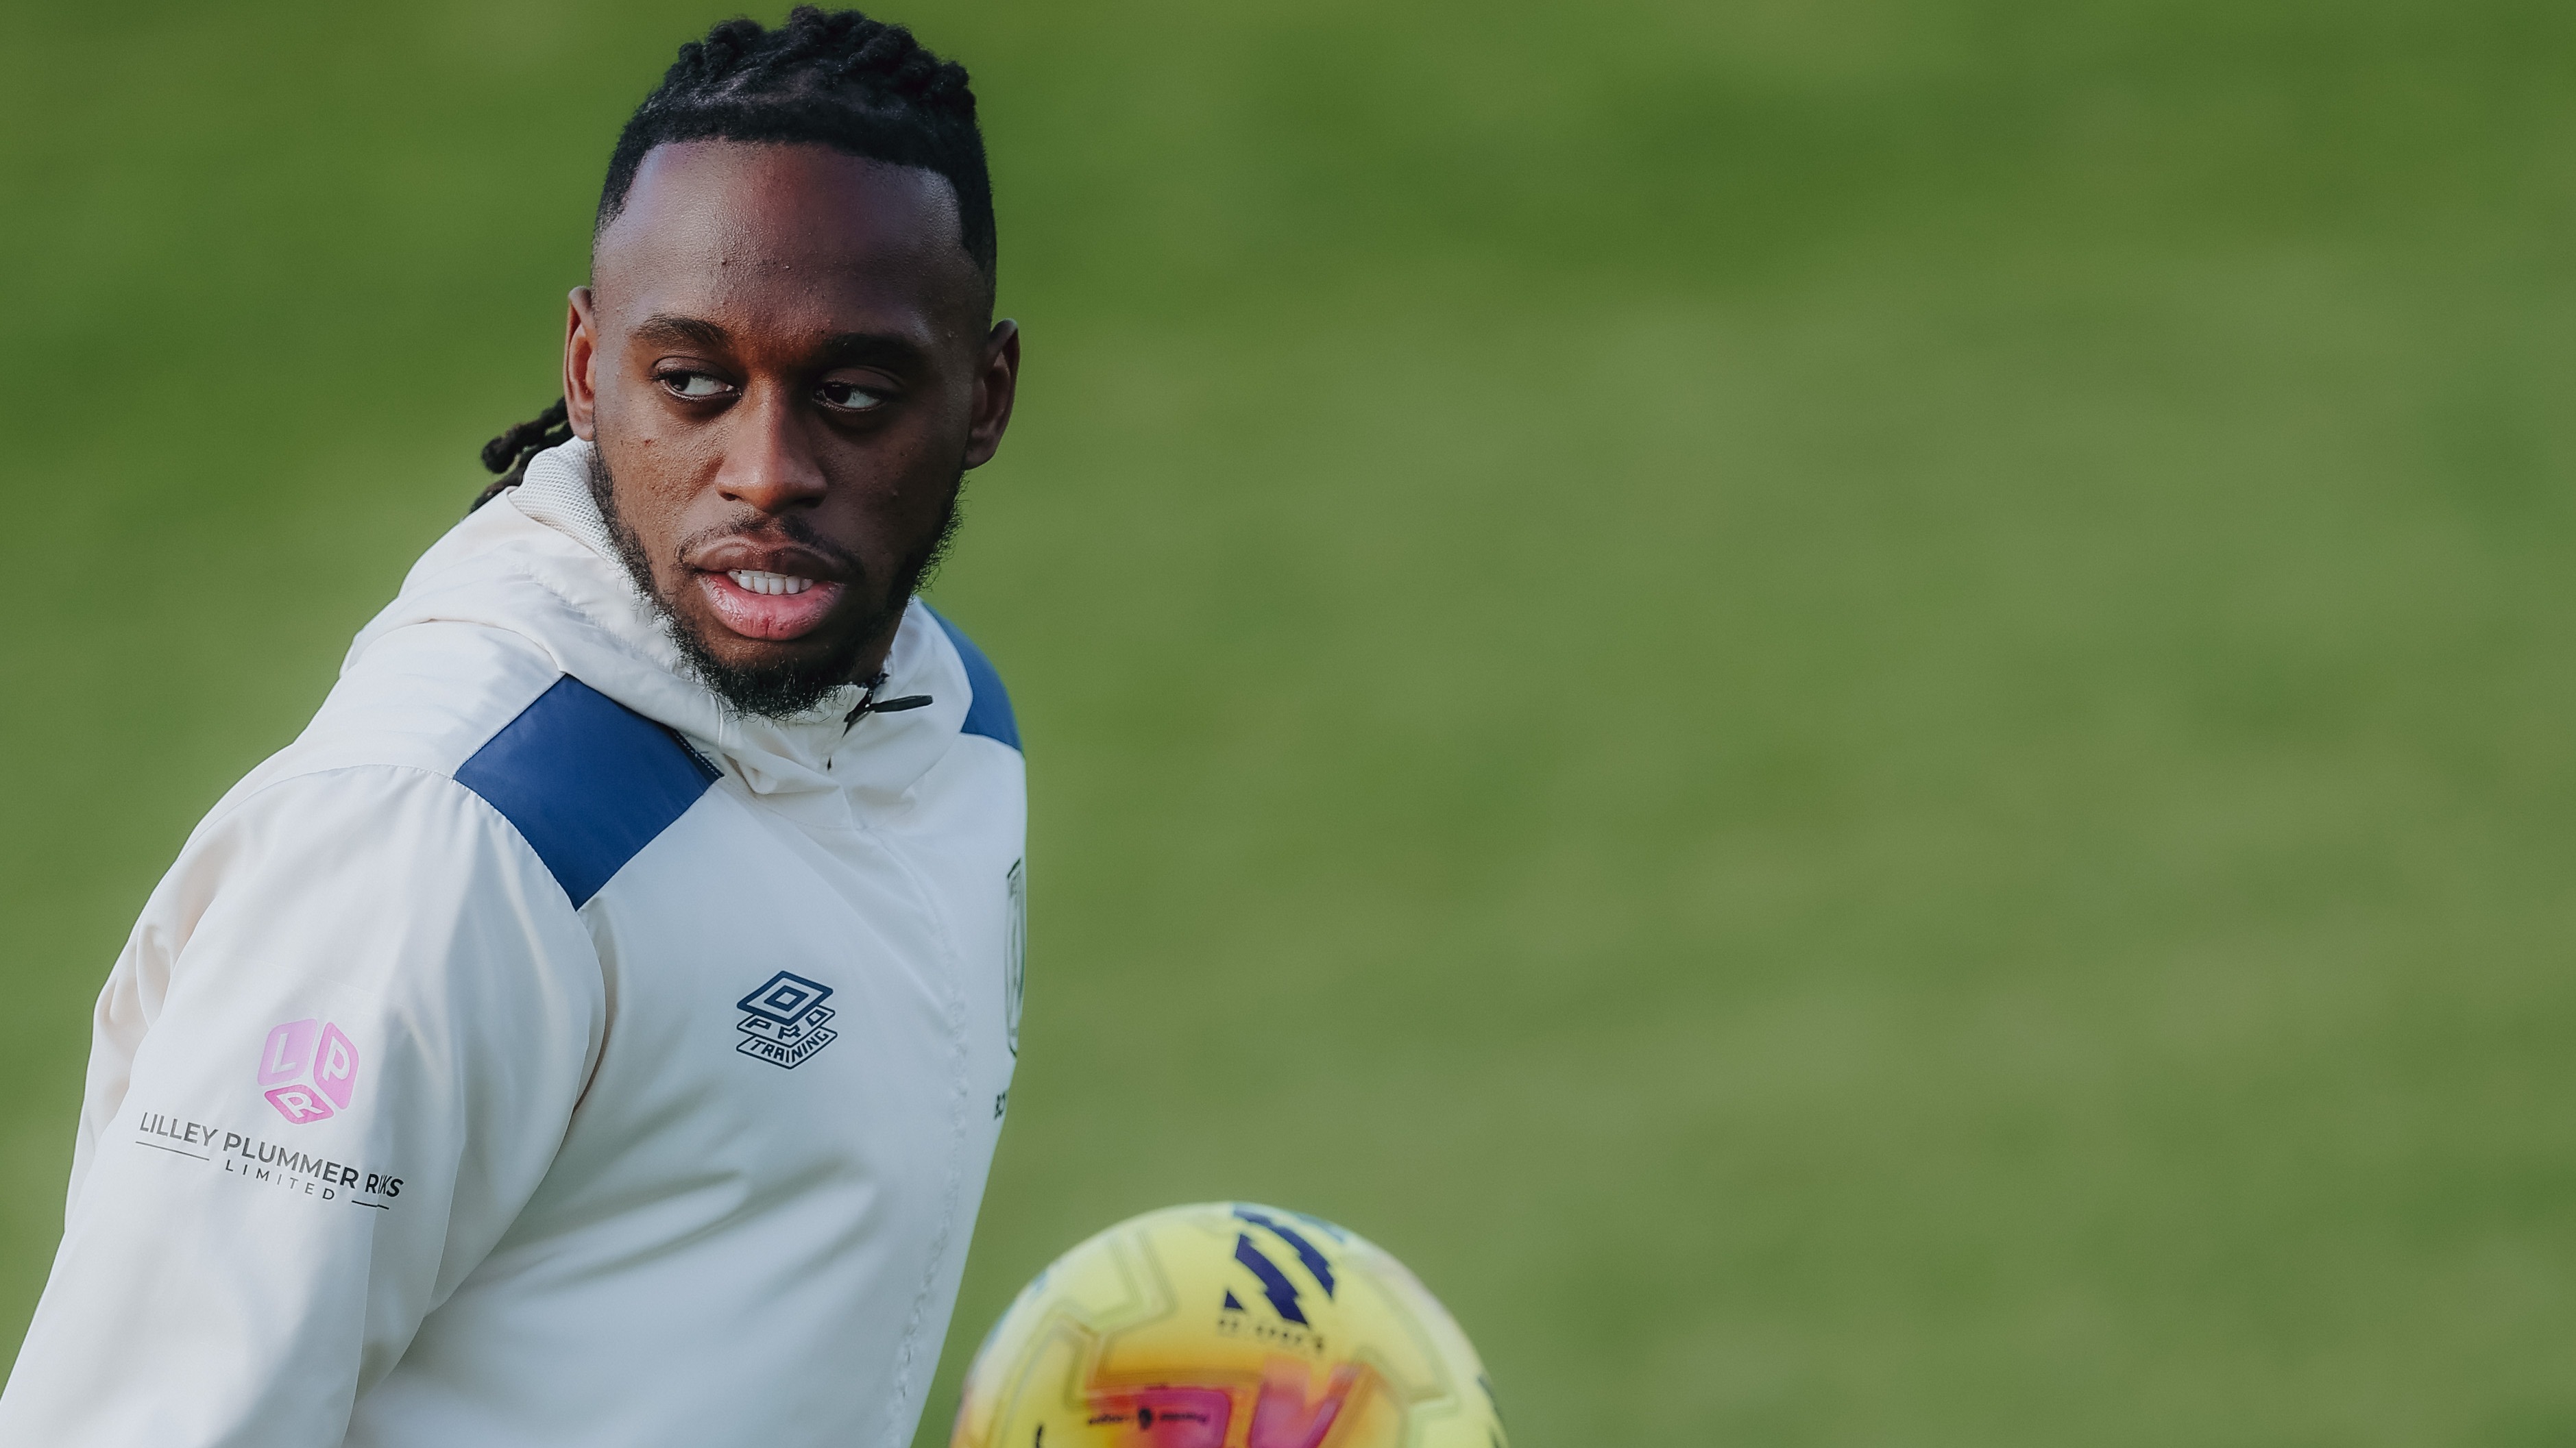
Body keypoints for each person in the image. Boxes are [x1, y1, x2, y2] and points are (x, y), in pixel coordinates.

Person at [0, 10, 1027, 1445]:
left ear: (983, 398)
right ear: (585, 368)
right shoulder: (445, 842)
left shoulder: (947, 733)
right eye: (693, 385)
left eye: (853, 395)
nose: (768, 470)